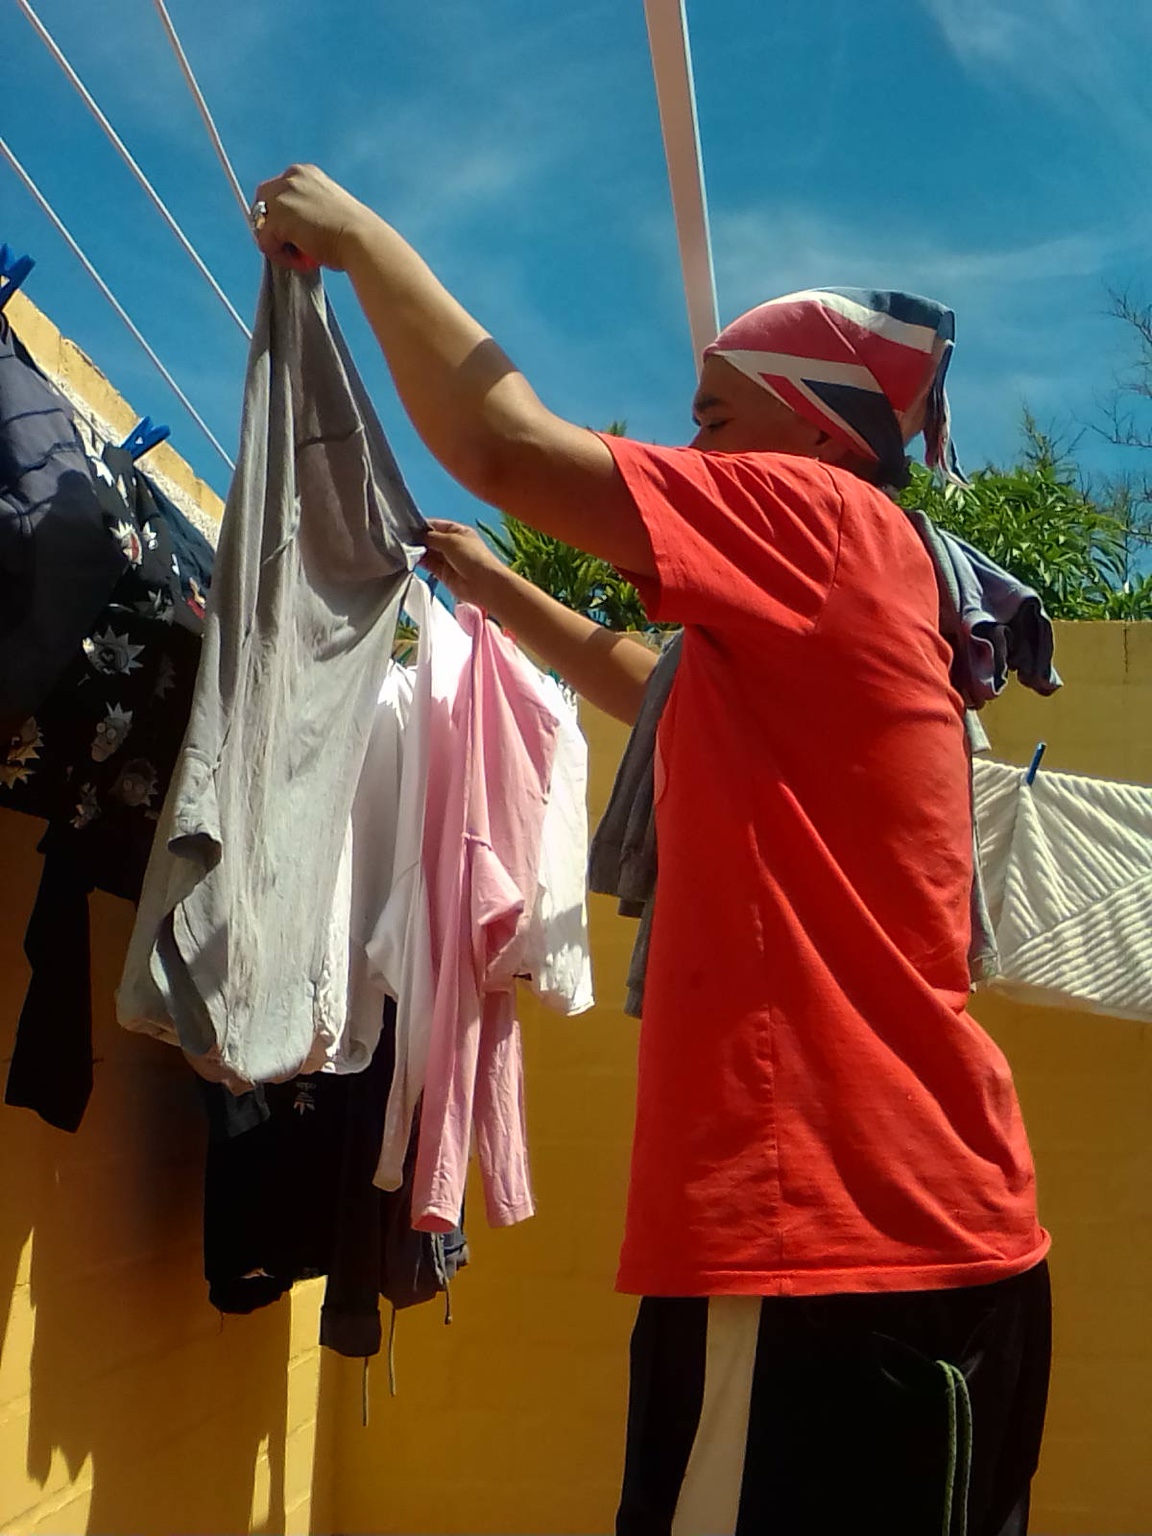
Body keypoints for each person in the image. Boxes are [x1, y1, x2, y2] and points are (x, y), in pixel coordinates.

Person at [253, 165, 1051, 1536]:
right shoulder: (866, 594)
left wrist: (360, 238)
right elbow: (648, 685)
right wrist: (507, 593)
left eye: (713, 420)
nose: (687, 452)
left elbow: (503, 443)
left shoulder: (819, 522)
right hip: (910, 1247)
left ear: (805, 434)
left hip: (826, 1252)